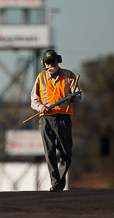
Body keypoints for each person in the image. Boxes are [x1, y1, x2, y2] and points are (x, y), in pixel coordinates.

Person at [30, 49, 81, 192]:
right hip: (45, 119)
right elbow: (33, 99)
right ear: (44, 64)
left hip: (63, 118)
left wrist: (73, 98)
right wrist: (40, 107)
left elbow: (78, 95)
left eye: (52, 61)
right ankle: (55, 183)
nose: (50, 64)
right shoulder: (40, 77)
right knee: (50, 152)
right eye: (47, 62)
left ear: (57, 61)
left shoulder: (68, 75)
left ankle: (59, 180)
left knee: (67, 153)